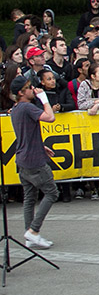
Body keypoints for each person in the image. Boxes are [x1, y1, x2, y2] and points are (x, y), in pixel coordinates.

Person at [9, 75, 58, 249]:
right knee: (52, 193)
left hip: (23, 158)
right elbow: (49, 117)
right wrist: (43, 98)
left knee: (29, 197)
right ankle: (33, 231)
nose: (32, 89)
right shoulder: (26, 107)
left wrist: (41, 145)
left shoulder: (15, 109)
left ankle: (29, 235)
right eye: (29, 87)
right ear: (21, 92)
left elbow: (25, 133)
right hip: (33, 161)